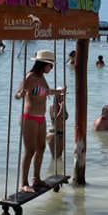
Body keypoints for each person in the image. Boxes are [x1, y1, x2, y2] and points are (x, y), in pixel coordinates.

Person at [14, 50, 65, 193]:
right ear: (44, 64)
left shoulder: (42, 78)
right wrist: (21, 94)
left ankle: (36, 178)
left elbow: (47, 92)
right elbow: (17, 95)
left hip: (41, 118)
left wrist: (60, 92)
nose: (51, 68)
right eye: (51, 65)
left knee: (41, 148)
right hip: (29, 118)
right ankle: (23, 183)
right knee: (30, 150)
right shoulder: (29, 77)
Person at [47, 93, 68, 159]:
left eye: (63, 96)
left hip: (62, 133)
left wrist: (63, 108)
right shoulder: (52, 107)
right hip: (53, 134)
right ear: (56, 97)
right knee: (55, 158)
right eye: (60, 96)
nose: (62, 97)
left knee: (59, 157)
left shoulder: (63, 106)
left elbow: (65, 117)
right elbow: (55, 119)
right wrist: (61, 110)